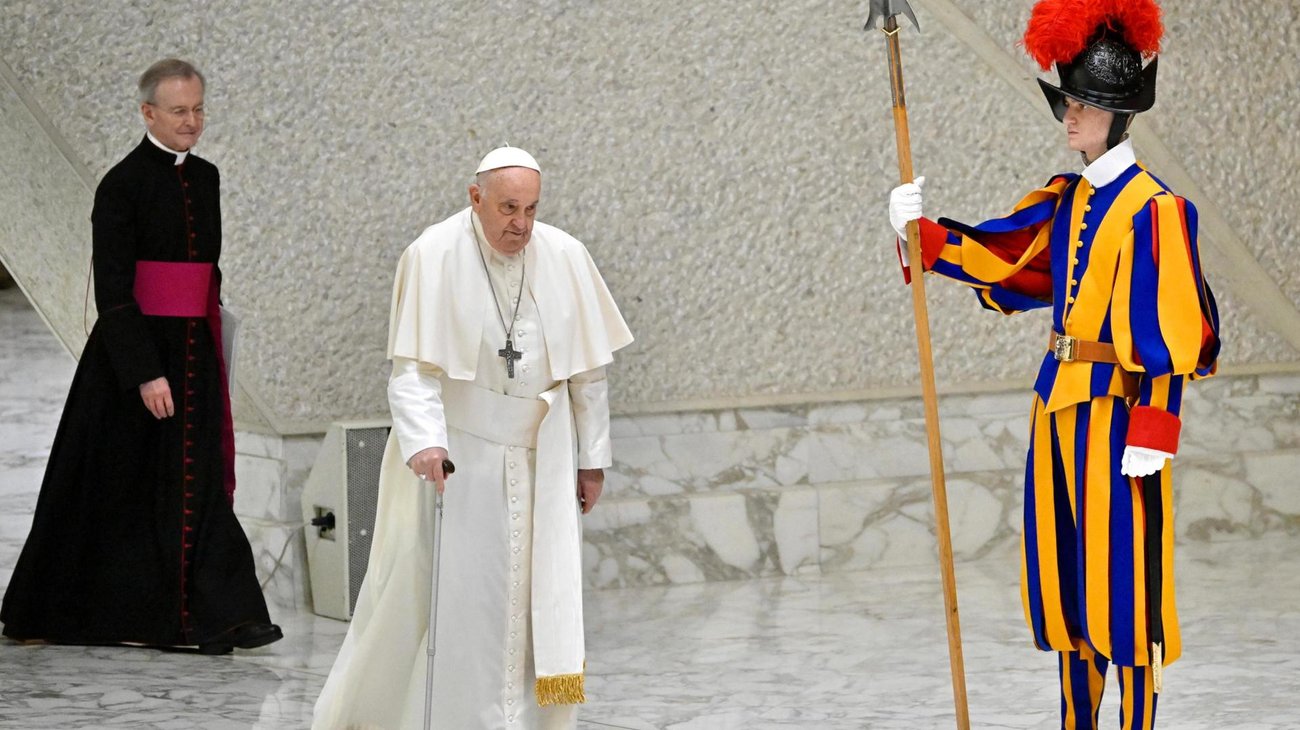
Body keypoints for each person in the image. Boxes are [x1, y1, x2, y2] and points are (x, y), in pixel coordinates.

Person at [887, 1, 1219, 727]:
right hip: (1057, 412)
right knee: (1068, 589)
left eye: (1083, 104)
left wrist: (1155, 432)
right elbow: (1011, 263)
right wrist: (922, 234)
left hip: (1120, 421)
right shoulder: (1069, 199)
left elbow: (1176, 331)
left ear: (1117, 111)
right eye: (1068, 101)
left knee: (1124, 596)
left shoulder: (1156, 211)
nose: (1069, 116)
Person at [313, 146, 633, 730]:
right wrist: (426, 444)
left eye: (532, 208)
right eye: (509, 207)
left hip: (544, 462)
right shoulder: (432, 255)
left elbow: (589, 374)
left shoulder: (565, 255)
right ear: (475, 197)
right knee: (457, 600)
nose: (522, 224)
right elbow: (413, 371)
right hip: (460, 456)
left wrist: (592, 460)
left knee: (539, 601)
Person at [1, 59, 281, 655]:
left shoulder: (206, 177)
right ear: (148, 112)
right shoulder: (120, 185)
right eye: (180, 111)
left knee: (196, 478)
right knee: (120, 487)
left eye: (199, 109)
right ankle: (122, 614)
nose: (193, 122)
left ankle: (223, 615)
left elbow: (207, 269)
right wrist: (145, 372)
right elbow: (114, 292)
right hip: (137, 361)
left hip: (195, 354)